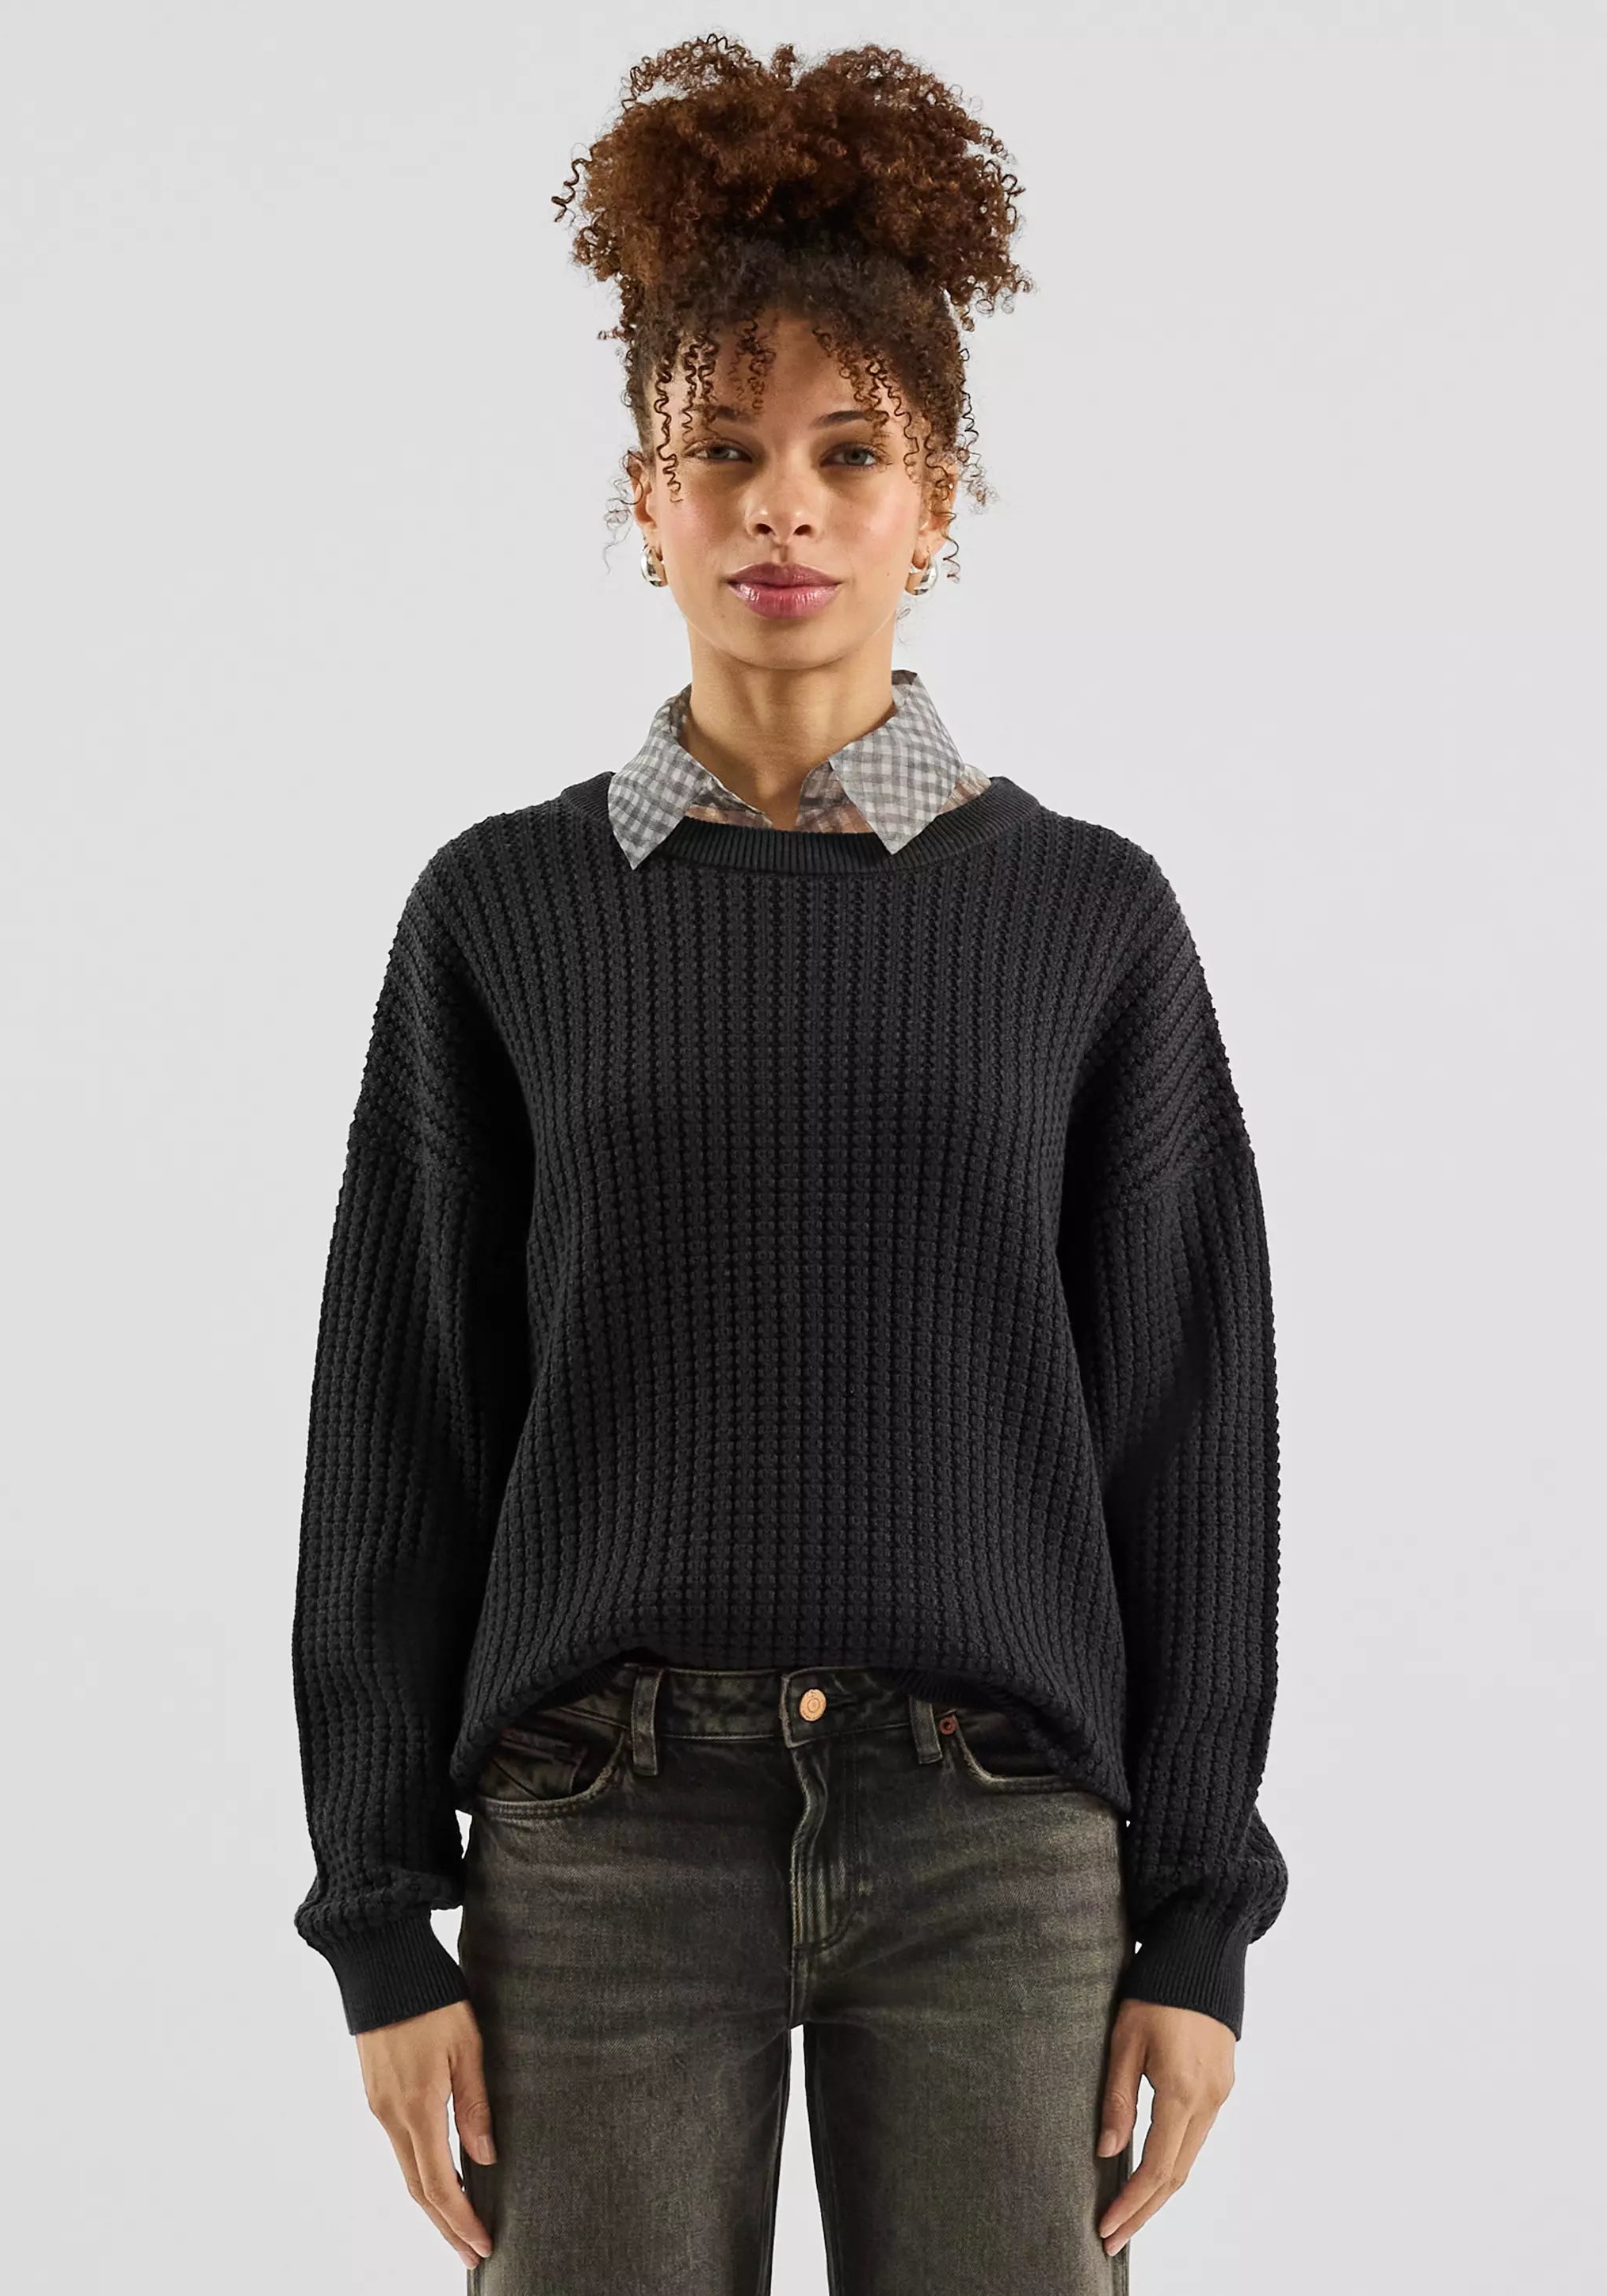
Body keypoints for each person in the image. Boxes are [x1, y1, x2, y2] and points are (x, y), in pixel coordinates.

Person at [290, 35, 1288, 2294]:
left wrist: (1200, 1920)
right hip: (602, 1838)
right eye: (721, 450)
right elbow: (401, 1429)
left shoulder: (1086, 922)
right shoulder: (505, 915)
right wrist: (382, 1919)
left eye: (852, 452)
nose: (784, 507)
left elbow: (1189, 1433)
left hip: (1001, 1840)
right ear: (643, 497)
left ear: (937, 500)